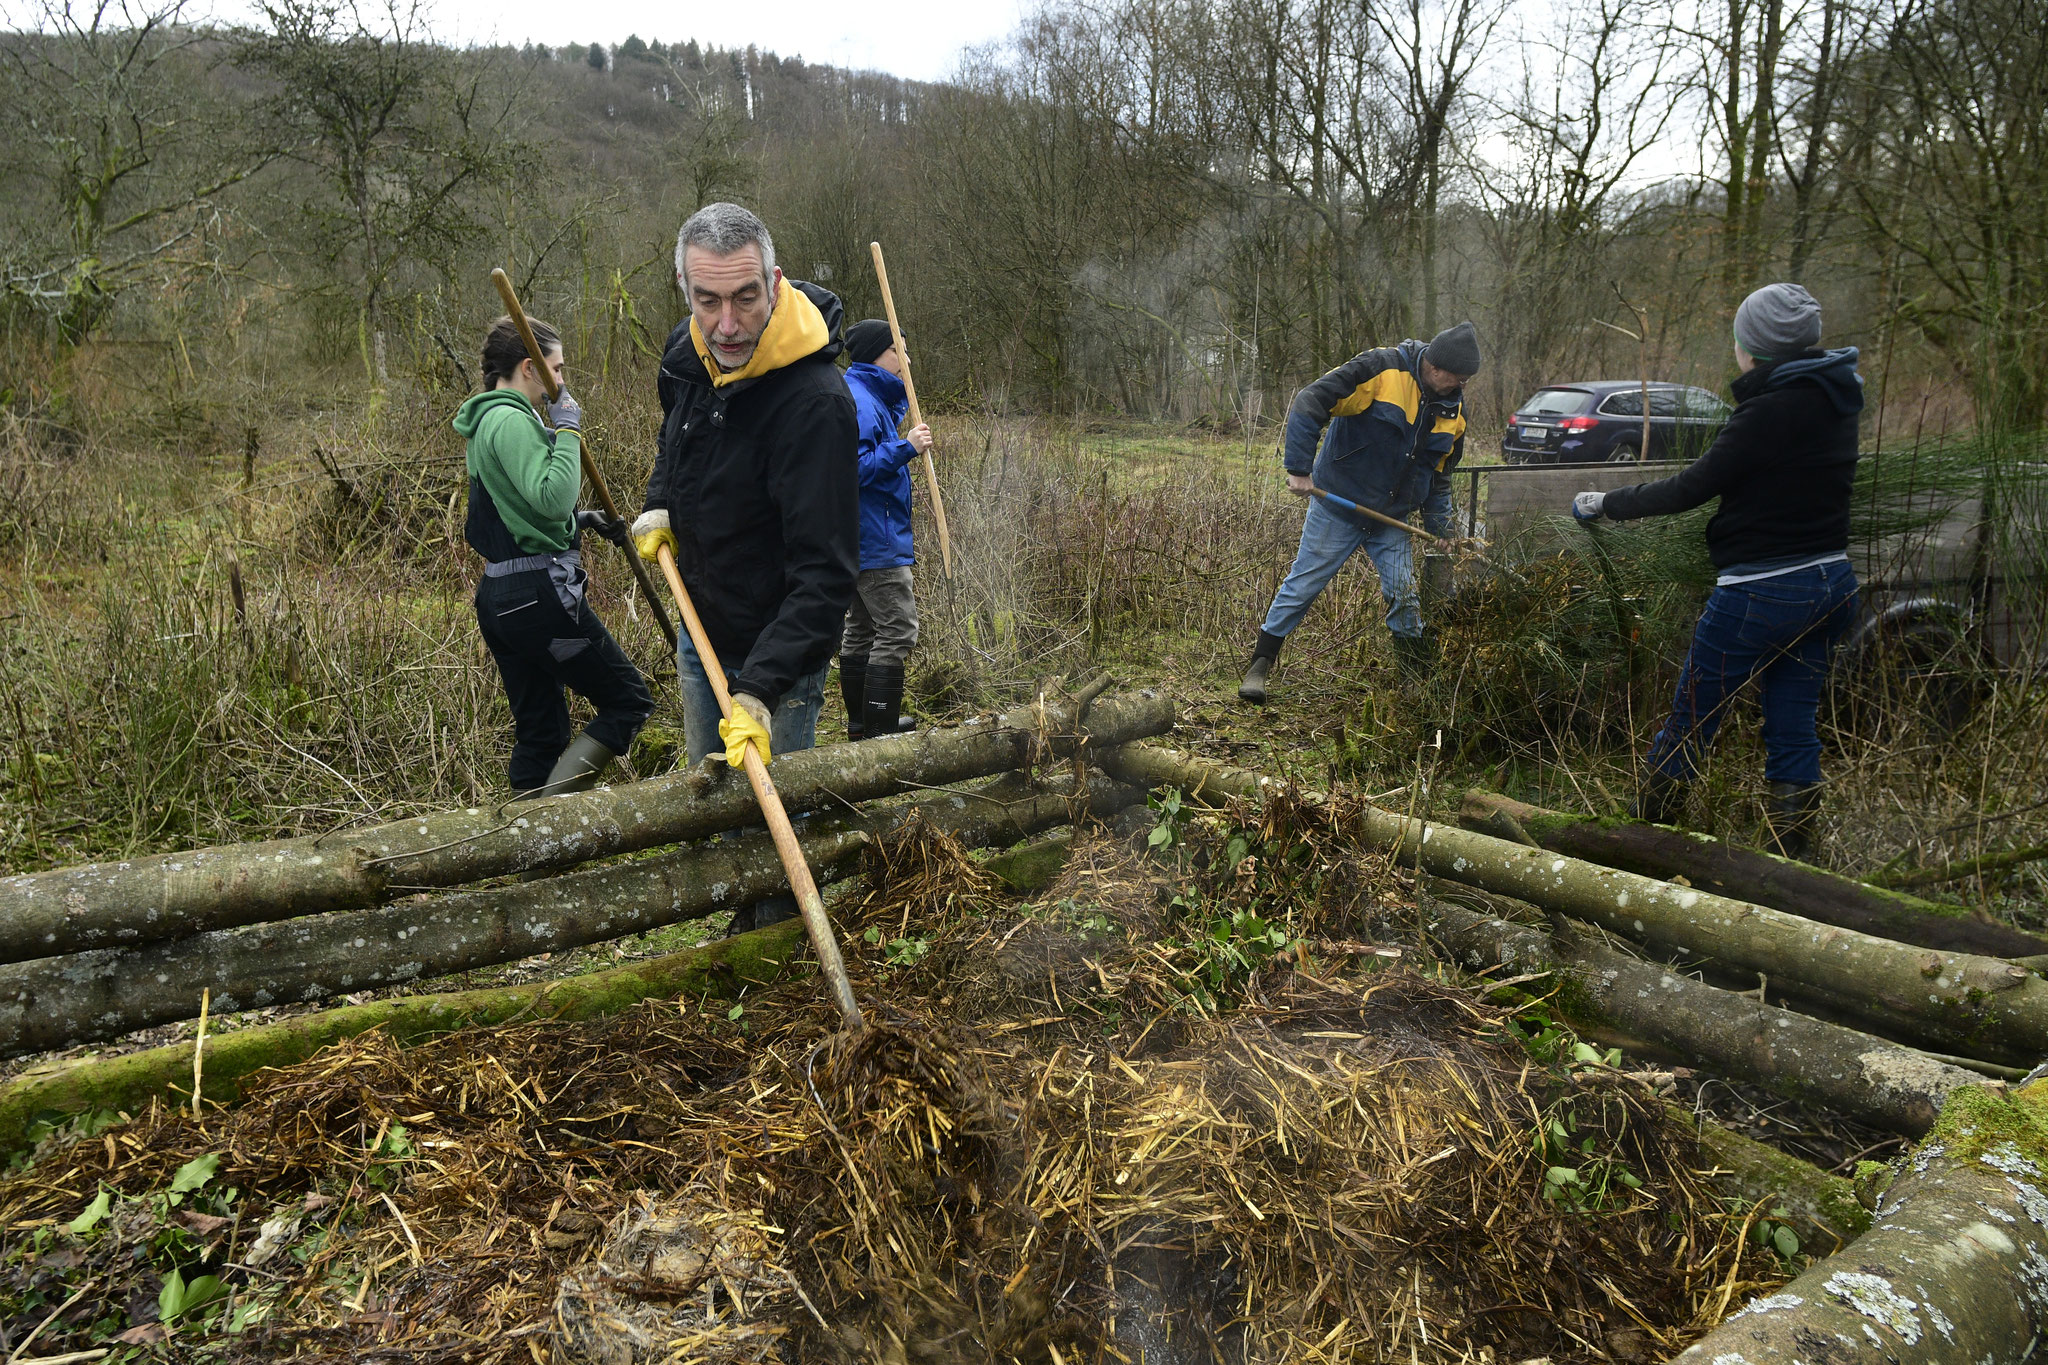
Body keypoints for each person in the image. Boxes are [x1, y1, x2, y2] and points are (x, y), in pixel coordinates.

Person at [1570, 283, 1862, 861]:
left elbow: (1692, 488)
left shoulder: (1769, 410)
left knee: (1692, 720)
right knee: (1794, 727)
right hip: (1830, 585)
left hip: (1760, 593)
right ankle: (1793, 863)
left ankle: (1642, 853)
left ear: (1751, 346)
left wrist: (1605, 504)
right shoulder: (1836, 396)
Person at [630, 202, 858, 927]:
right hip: (702, 635)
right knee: (715, 805)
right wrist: (661, 500)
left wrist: (760, 690)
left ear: (775, 280)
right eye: (707, 301)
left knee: (772, 825)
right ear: (684, 291)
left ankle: (770, 960)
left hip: (780, 661)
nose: (726, 324)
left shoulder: (815, 404)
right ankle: (731, 937)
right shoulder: (688, 354)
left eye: (745, 297)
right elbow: (677, 438)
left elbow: (826, 575)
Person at [452, 316, 654, 798]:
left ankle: (526, 857)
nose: (561, 382)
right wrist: (567, 432)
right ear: (529, 368)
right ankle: (550, 830)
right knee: (628, 701)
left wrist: (581, 522)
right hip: (536, 601)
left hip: (501, 598)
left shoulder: (485, 422)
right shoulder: (512, 419)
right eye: (556, 370)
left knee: (541, 734)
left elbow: (517, 513)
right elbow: (549, 499)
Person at [1237, 321, 1481, 703]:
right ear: (1436, 368)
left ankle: (1414, 681)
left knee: (1404, 596)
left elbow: (1439, 476)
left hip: (1392, 518)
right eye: (1459, 379)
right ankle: (1260, 666)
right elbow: (1310, 401)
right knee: (1304, 585)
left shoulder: (1454, 412)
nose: (1462, 386)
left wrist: (1442, 529)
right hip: (1339, 503)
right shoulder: (1381, 371)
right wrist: (1299, 469)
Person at [836, 319, 932, 740]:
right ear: (879, 353)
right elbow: (851, 470)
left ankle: (863, 726)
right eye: (900, 350)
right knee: (898, 629)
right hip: (875, 538)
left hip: (861, 537)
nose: (907, 360)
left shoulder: (867, 395)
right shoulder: (860, 400)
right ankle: (878, 732)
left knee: (861, 628)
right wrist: (905, 447)